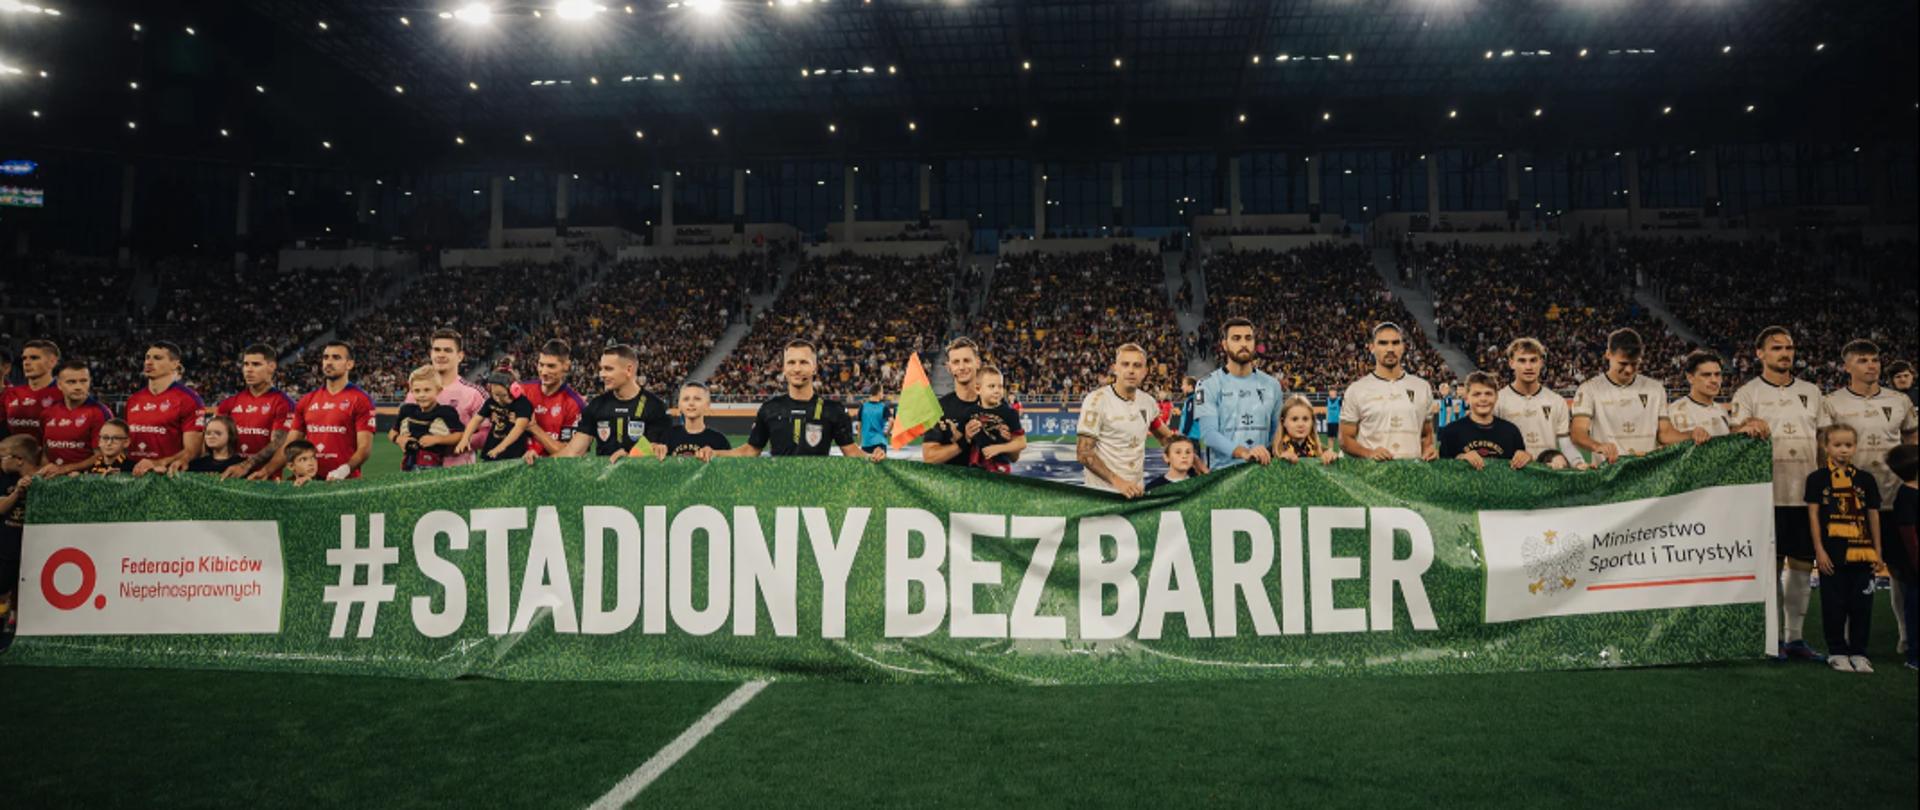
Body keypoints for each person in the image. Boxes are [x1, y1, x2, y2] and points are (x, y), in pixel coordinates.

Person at [1729, 326, 1829, 662]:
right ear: (1760, 354)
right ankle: (1770, 639)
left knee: (1802, 566)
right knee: (1768, 569)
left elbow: (1823, 441)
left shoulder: (1812, 392)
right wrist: (1744, 427)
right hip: (1767, 495)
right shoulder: (1748, 393)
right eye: (1776, 348)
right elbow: (1735, 434)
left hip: (1805, 495)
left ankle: (1794, 638)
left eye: (1789, 348)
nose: (1785, 353)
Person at [1817, 339, 1919, 657]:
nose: (1872, 365)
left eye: (1875, 359)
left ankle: (1906, 636)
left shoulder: (1899, 400)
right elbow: (1824, 451)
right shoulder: (1831, 402)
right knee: (1852, 571)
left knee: (1903, 571)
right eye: (1863, 360)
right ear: (1847, 367)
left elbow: (1912, 439)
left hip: (1896, 498)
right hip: (1852, 503)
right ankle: (1851, 639)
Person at [708, 340, 881, 461]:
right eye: (791, 362)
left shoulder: (833, 410)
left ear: (814, 368)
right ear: (784, 367)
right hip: (779, 495)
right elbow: (750, 451)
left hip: (818, 495)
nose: (797, 369)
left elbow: (851, 452)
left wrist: (873, 457)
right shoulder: (770, 409)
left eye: (803, 362)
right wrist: (715, 453)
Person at [1805, 424, 1883, 673]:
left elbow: (1873, 517)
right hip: (1832, 554)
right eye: (1837, 445)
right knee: (1833, 605)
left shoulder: (1866, 479)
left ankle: (1859, 652)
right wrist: (1819, 550)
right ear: (1826, 447)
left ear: (1855, 447)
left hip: (1862, 553)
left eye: (1848, 445)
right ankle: (1837, 651)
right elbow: (1813, 516)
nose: (1843, 450)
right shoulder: (1817, 479)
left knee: (1862, 605)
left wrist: (1878, 552)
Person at [1078, 343, 1197, 497]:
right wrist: (1118, 482)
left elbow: (1165, 437)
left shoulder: (1147, 402)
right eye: (1125, 364)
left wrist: (1194, 460)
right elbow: (1083, 452)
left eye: (1137, 365)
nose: (1131, 370)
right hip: (1103, 496)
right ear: (1115, 368)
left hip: (1136, 493)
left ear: (1145, 371)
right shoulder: (1097, 400)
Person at [257, 341, 375, 482]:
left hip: (345, 483)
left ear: (349, 364)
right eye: (326, 357)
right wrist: (266, 471)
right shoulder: (306, 401)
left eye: (336, 358)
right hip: (310, 483)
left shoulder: (361, 400)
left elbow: (364, 448)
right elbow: (290, 445)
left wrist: (343, 471)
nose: (329, 362)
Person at [1570, 328, 1684, 466]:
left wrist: (1692, 435)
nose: (1629, 369)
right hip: (1609, 472)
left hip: (1647, 470)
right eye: (1623, 364)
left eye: (1634, 363)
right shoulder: (1589, 389)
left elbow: (1665, 433)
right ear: (1608, 354)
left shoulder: (1655, 388)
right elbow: (1577, 433)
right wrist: (1598, 446)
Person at [1192, 317, 1285, 471]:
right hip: (1223, 475)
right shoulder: (1208, 385)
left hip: (1262, 472)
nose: (1243, 344)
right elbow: (1210, 435)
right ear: (1224, 345)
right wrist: (1244, 453)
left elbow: (1278, 433)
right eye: (1236, 338)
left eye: (1248, 338)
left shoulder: (1272, 385)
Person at [1340, 323, 1438, 462]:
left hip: (1413, 472)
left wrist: (1428, 448)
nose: (1390, 349)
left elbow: (1426, 434)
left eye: (1395, 343)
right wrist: (1369, 453)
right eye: (1383, 343)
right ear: (1372, 348)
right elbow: (1344, 438)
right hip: (1372, 473)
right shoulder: (1357, 390)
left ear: (1403, 347)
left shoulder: (1422, 387)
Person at [560, 345, 671, 461]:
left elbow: (654, 454)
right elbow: (573, 452)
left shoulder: (655, 407)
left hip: (639, 473)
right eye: (601, 369)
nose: (602, 374)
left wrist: (627, 460)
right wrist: (547, 464)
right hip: (604, 473)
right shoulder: (597, 405)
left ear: (629, 370)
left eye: (608, 369)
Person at [406, 329, 491, 467]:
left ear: (460, 356)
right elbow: (404, 429)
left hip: (459, 473)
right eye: (437, 350)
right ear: (431, 354)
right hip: (419, 472)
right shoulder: (413, 393)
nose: (441, 355)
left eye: (448, 350)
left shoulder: (474, 393)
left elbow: (488, 435)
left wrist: (447, 440)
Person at [1497, 338, 1585, 468]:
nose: (1528, 367)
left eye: (1533, 360)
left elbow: (1565, 444)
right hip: (1512, 474)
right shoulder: (1498, 401)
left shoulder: (1556, 401)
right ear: (1511, 363)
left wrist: (1578, 463)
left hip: (1547, 473)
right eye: (1522, 361)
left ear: (1541, 363)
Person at [125, 342, 208, 476]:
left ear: (174, 364)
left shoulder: (189, 400)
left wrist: (158, 463)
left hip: (168, 477)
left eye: (157, 358)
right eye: (147, 357)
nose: (149, 362)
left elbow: (193, 450)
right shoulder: (133, 400)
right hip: (133, 475)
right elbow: (124, 444)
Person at [216, 343, 297, 481]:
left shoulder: (284, 403)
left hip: (264, 481)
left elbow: (280, 443)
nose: (249, 370)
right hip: (230, 478)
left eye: (256, 364)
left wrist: (247, 465)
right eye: (246, 364)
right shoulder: (228, 404)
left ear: (271, 367)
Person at [36, 360, 115, 477]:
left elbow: (103, 455)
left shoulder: (100, 413)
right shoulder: (47, 414)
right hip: (53, 480)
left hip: (85, 481)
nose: (78, 387)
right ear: (59, 385)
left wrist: (64, 469)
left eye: (83, 381)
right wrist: (44, 474)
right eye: (71, 382)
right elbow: (46, 452)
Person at [1438, 372, 1532, 470]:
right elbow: (1442, 472)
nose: (1483, 399)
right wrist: (1459, 460)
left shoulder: (1511, 431)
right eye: (1477, 394)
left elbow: (1521, 472)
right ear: (1467, 398)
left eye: (1488, 394)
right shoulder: (1451, 432)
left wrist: (1526, 458)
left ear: (1496, 397)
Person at [0, 434, 38, 645]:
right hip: (8, 543)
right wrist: (17, 492)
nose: (1, 462)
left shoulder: (45, 477)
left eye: (2, 457)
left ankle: (20, 626)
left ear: (19, 459)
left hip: (35, 546)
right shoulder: (7, 479)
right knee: (2, 589)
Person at [922, 337, 984, 466]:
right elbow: (929, 456)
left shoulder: (995, 403)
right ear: (949, 367)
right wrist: (964, 441)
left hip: (988, 478)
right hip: (953, 479)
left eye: (966, 360)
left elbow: (1014, 455)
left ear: (977, 363)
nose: (961, 367)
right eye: (956, 362)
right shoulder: (938, 408)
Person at [393, 366, 468, 472]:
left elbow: (460, 435)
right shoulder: (407, 410)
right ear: (411, 391)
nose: (422, 395)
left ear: (438, 390)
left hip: (432, 466)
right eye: (417, 391)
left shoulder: (446, 412)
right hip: (407, 465)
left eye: (427, 390)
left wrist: (437, 439)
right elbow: (393, 431)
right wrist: (398, 439)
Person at [520, 340, 587, 458]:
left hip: (553, 468)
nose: (544, 372)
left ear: (566, 366)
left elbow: (569, 453)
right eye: (541, 365)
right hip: (519, 464)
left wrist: (533, 428)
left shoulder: (574, 403)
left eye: (551, 366)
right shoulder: (523, 390)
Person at [1886, 443, 1919, 671]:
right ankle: (1914, 653)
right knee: (1914, 608)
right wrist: (1916, 561)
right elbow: (1908, 531)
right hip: (1914, 566)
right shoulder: (1907, 495)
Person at [963, 366, 1025, 473]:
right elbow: (960, 438)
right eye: (991, 386)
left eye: (1000, 386)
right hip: (974, 467)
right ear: (978, 389)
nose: (997, 391)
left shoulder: (1010, 413)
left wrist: (998, 448)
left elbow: (1021, 442)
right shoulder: (969, 412)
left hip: (1000, 467)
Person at [1663, 349, 1730, 447]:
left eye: (1717, 374)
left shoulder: (1721, 410)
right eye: (1706, 375)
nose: (1714, 380)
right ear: (1690, 378)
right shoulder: (1677, 411)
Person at [465, 371, 533, 461]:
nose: (497, 399)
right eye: (495, 394)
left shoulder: (522, 404)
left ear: (514, 390)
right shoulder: (491, 401)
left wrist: (500, 447)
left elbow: (519, 428)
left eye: (503, 395)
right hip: (491, 450)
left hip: (514, 454)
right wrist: (465, 437)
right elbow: (477, 419)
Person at [3, 339, 61, 443]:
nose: (26, 363)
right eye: (24, 358)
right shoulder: (10, 394)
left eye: (34, 358)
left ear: (52, 362)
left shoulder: (65, 395)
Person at [657, 382, 733, 458]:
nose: (691, 403)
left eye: (697, 399)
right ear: (679, 405)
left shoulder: (719, 440)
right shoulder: (667, 437)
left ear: (707, 405)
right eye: (686, 399)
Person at [1274, 395, 1337, 465]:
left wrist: (1332, 458)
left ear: (1312, 421)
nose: (1300, 424)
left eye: (1305, 419)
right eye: (1294, 419)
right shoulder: (1273, 452)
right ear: (1283, 422)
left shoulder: (1322, 452)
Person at [858, 387, 894, 456]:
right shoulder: (883, 407)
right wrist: (887, 433)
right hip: (879, 441)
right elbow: (892, 421)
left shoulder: (863, 407)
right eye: (882, 391)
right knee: (880, 462)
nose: (883, 394)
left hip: (866, 442)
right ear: (879, 393)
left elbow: (859, 427)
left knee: (867, 462)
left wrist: (861, 442)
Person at [1177, 376, 1203, 443]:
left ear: (1190, 386)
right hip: (1192, 436)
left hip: (1190, 436)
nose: (1182, 387)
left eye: (1184, 384)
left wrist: (1184, 434)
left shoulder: (1192, 400)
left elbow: (1190, 418)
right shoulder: (1193, 399)